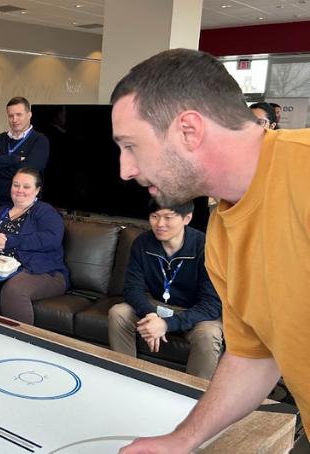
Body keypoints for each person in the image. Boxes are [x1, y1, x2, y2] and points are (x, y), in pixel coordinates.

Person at [110, 48, 310, 453]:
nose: (125, 170)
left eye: (131, 146)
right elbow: (253, 356)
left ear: (189, 129)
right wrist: (181, 440)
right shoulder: (220, 233)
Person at [108, 199, 223, 380]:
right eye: (155, 216)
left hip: (194, 311)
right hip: (156, 305)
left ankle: (193, 391)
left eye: (168, 217)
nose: (160, 224)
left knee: (209, 334)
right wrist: (149, 315)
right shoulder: (142, 243)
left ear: (187, 218)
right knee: (118, 313)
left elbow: (211, 304)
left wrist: (166, 324)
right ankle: (126, 376)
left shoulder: (207, 247)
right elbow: (132, 288)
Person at [0, 168, 68, 325]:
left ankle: (18, 339)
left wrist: (10, 241)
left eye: (26, 187)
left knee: (14, 289)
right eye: (16, 185)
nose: (19, 190)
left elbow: (52, 239)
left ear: (37, 190)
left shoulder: (45, 211)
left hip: (38, 270)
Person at [0, 96, 49, 210]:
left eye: (19, 114)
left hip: (26, 205)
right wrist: (15, 159)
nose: (14, 119)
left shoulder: (39, 140)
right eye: (11, 116)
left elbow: (30, 171)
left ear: (29, 115)